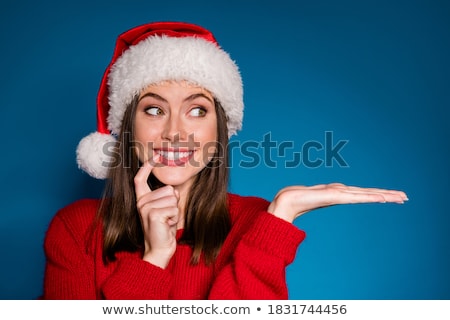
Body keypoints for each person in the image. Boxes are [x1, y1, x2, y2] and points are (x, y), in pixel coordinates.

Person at [42, 21, 407, 299]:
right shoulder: (77, 229)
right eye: (153, 109)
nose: (175, 133)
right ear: (128, 128)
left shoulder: (256, 223)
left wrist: (279, 216)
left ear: (220, 130)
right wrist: (154, 259)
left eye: (197, 111)